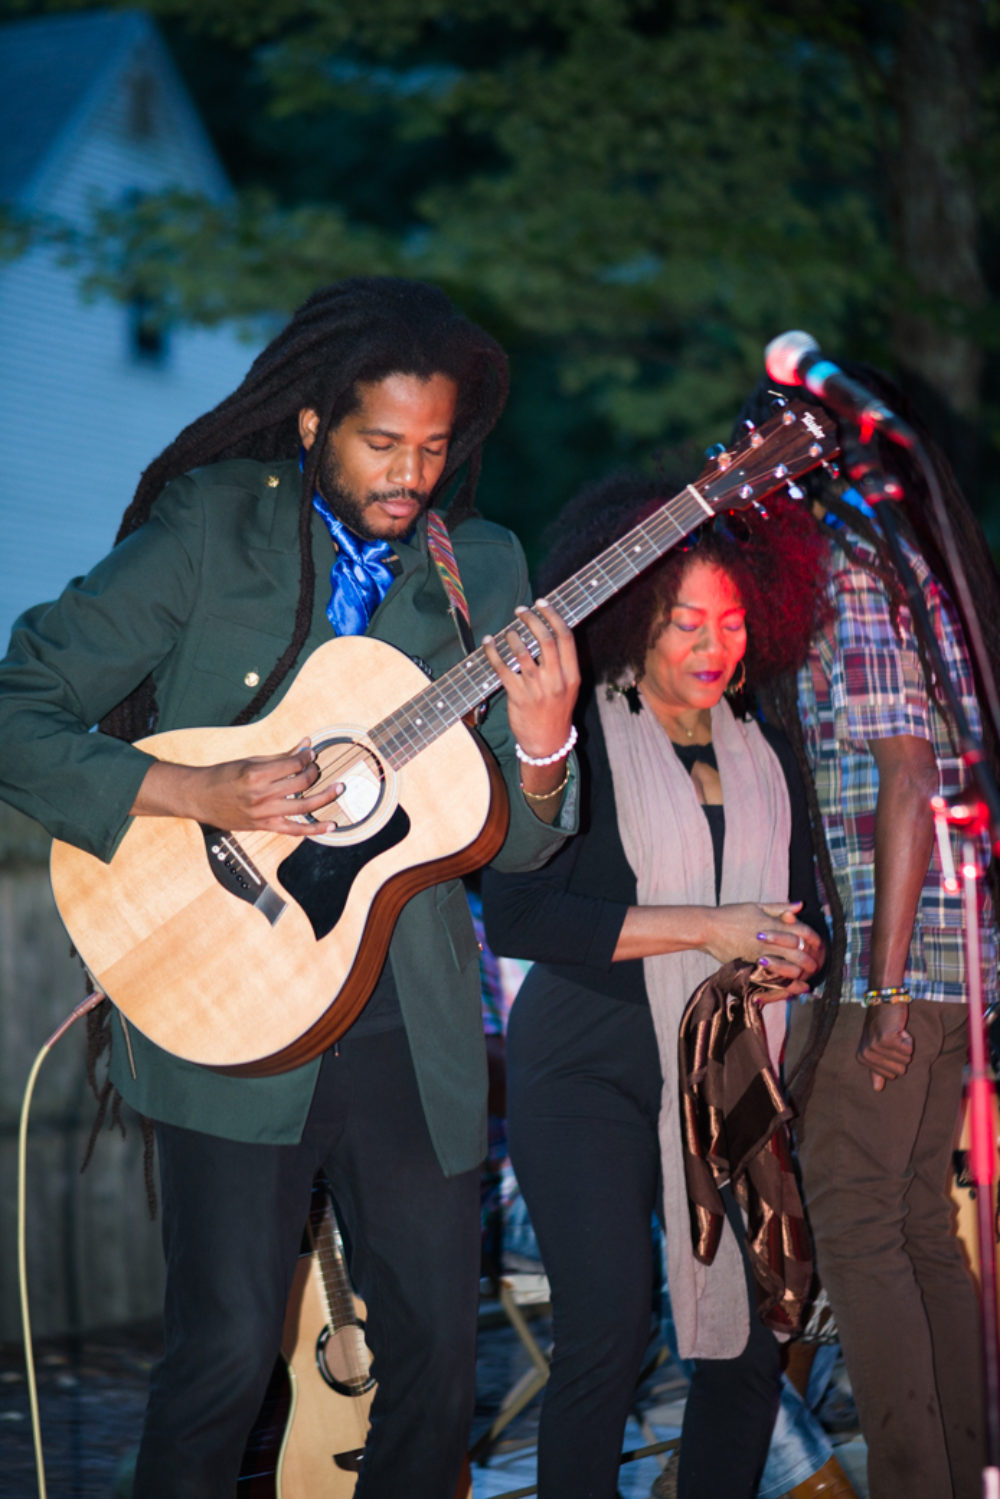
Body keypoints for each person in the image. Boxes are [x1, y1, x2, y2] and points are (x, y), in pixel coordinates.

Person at [0, 276, 581, 1499]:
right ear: (313, 422)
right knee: (221, 1354)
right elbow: (19, 713)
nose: (409, 473)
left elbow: (517, 847)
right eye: (382, 442)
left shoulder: (481, 563)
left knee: (435, 1352)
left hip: (407, 1018)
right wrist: (196, 794)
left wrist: (542, 744)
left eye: (432, 447)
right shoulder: (216, 524)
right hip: (227, 996)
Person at [482, 473, 832, 1499]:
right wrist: (709, 927)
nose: (713, 644)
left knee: (747, 1342)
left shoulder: (765, 745)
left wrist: (798, 954)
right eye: (685, 621)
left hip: (724, 1067)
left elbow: (800, 903)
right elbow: (523, 918)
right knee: (605, 1329)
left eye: (730, 619)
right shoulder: (571, 733)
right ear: (633, 618)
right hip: (583, 1062)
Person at [745, 374, 1000, 1499]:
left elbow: (903, 777)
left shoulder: (848, 565)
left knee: (853, 1215)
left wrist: (882, 987)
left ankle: (912, 1479)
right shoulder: (918, 567)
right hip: (961, 960)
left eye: (765, 444)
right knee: (915, 1226)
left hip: (902, 963)